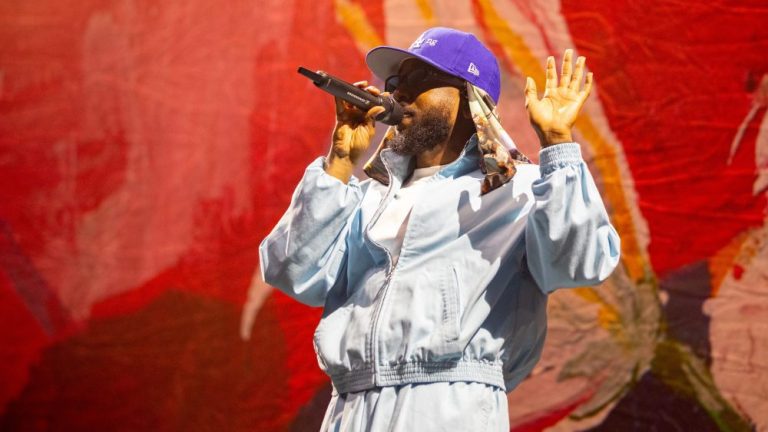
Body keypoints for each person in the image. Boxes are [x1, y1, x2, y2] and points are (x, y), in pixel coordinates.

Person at [260, 27, 620, 431]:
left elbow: (580, 263)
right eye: (396, 82)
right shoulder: (365, 197)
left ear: (471, 101)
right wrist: (340, 161)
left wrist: (557, 143)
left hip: (447, 406)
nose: (399, 94)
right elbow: (292, 272)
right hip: (351, 407)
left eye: (421, 81)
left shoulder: (516, 188)